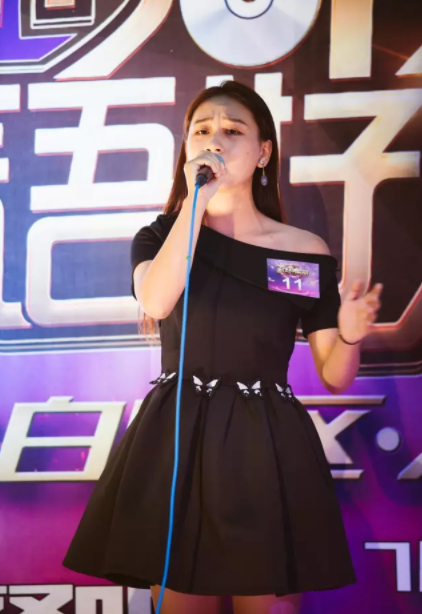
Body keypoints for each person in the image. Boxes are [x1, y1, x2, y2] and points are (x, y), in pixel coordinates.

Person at [62, 81, 383, 614]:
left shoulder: (302, 252)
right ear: (187, 149)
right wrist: (196, 203)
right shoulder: (160, 235)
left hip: (266, 443)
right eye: (202, 131)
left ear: (263, 152)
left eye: (233, 130)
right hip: (179, 436)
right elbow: (157, 299)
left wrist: (348, 332)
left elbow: (335, 373)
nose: (216, 140)